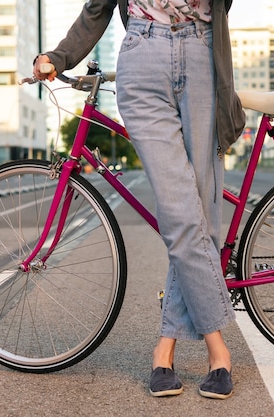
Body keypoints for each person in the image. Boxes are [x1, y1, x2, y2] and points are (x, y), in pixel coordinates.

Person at [33, 0, 245, 399]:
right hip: (143, 58)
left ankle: (164, 350)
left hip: (203, 55)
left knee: (199, 218)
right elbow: (97, 9)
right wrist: (59, 56)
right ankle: (219, 351)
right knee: (182, 215)